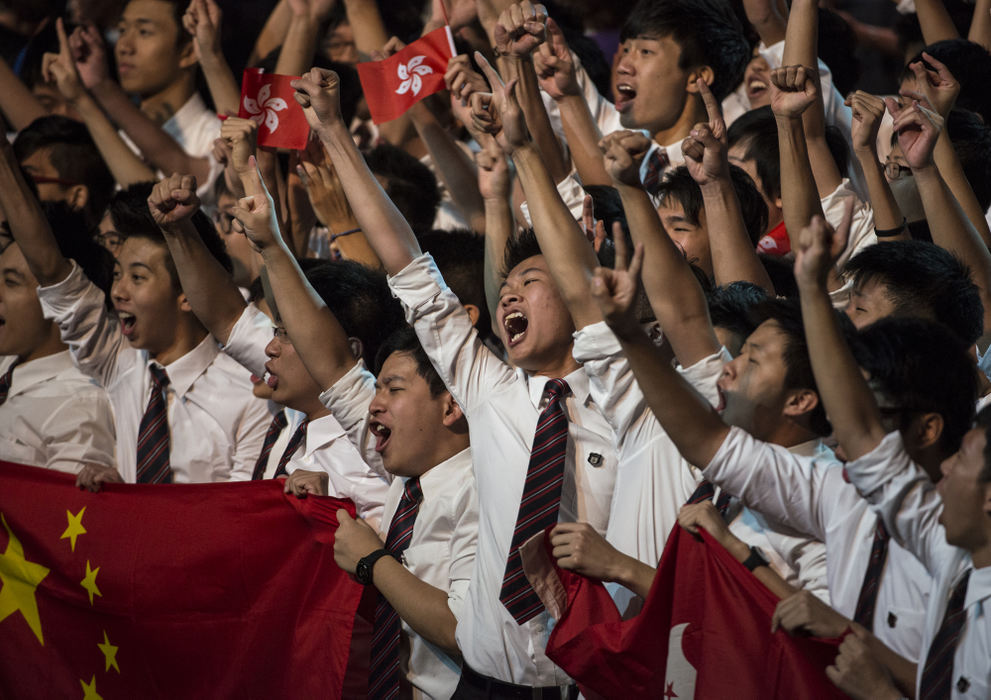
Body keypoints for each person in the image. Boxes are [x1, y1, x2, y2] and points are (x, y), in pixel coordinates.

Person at [292, 65, 618, 693]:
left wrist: (525, 150)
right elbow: (409, 269)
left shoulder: (627, 400)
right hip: (486, 679)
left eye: (533, 281)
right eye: (508, 286)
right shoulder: (492, 394)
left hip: (590, 678)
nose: (510, 295)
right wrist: (332, 130)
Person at [793, 213, 990, 699]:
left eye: (859, 310)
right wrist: (811, 288)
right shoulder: (945, 544)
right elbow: (861, 432)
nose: (945, 471)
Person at [0, 142, 270, 487]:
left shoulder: (248, 395)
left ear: (186, 295)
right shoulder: (119, 363)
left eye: (138, 277)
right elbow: (53, 273)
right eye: (117, 274)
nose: (118, 292)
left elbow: (237, 513)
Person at [0, 201, 116, 478]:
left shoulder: (79, 404)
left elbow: (62, 513)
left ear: (56, 301)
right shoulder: (6, 368)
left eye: (11, 282)